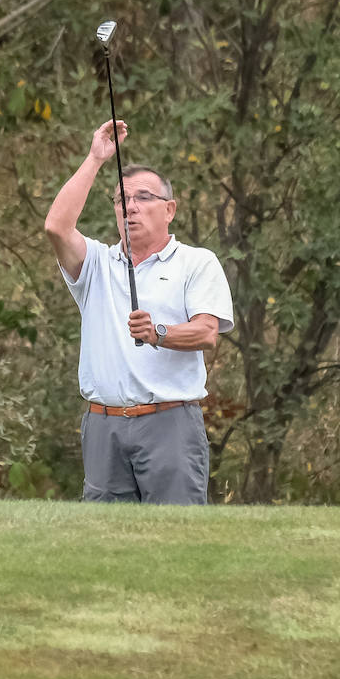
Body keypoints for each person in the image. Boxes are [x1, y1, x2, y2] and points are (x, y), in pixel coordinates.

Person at [45, 120, 234, 504]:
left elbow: (206, 333)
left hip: (170, 423)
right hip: (103, 424)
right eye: (121, 200)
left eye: (143, 198)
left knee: (177, 542)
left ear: (170, 210)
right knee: (105, 548)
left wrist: (158, 333)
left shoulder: (196, 262)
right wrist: (96, 158)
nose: (130, 207)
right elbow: (56, 227)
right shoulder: (96, 263)